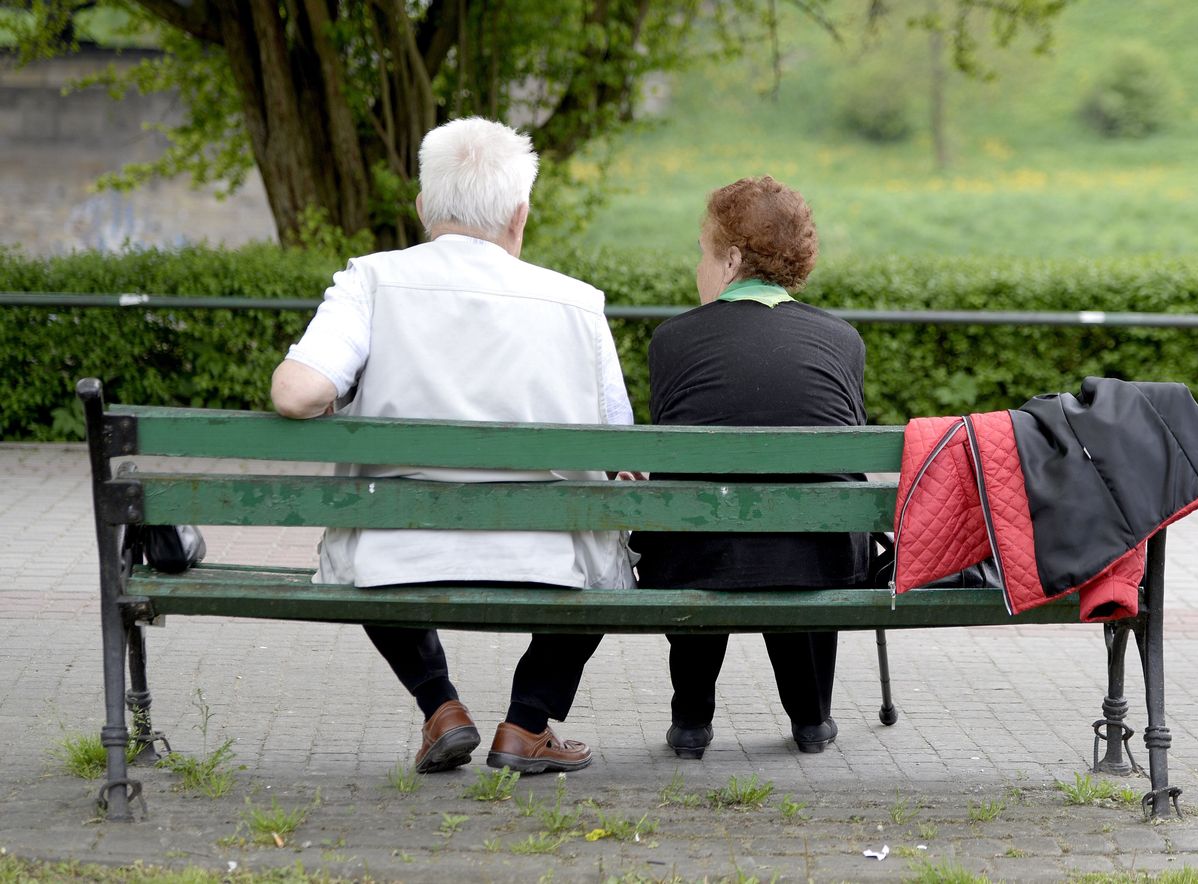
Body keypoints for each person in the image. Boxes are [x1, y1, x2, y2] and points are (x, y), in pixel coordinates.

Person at [270, 117, 635, 775]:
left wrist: (332, 393)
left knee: (364, 532)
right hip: (549, 557)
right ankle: (526, 724)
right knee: (608, 549)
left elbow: (296, 393)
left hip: (395, 551)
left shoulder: (370, 282)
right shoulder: (578, 304)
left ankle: (441, 707)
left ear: (421, 209)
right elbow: (623, 448)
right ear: (520, 215)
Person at [629, 176, 869, 759]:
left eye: (703, 251)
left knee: (710, 532)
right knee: (798, 537)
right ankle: (812, 717)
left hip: (694, 554)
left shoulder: (673, 340)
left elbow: (675, 467)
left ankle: (690, 720)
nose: (698, 266)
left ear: (732, 258)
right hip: (819, 559)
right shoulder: (842, 340)